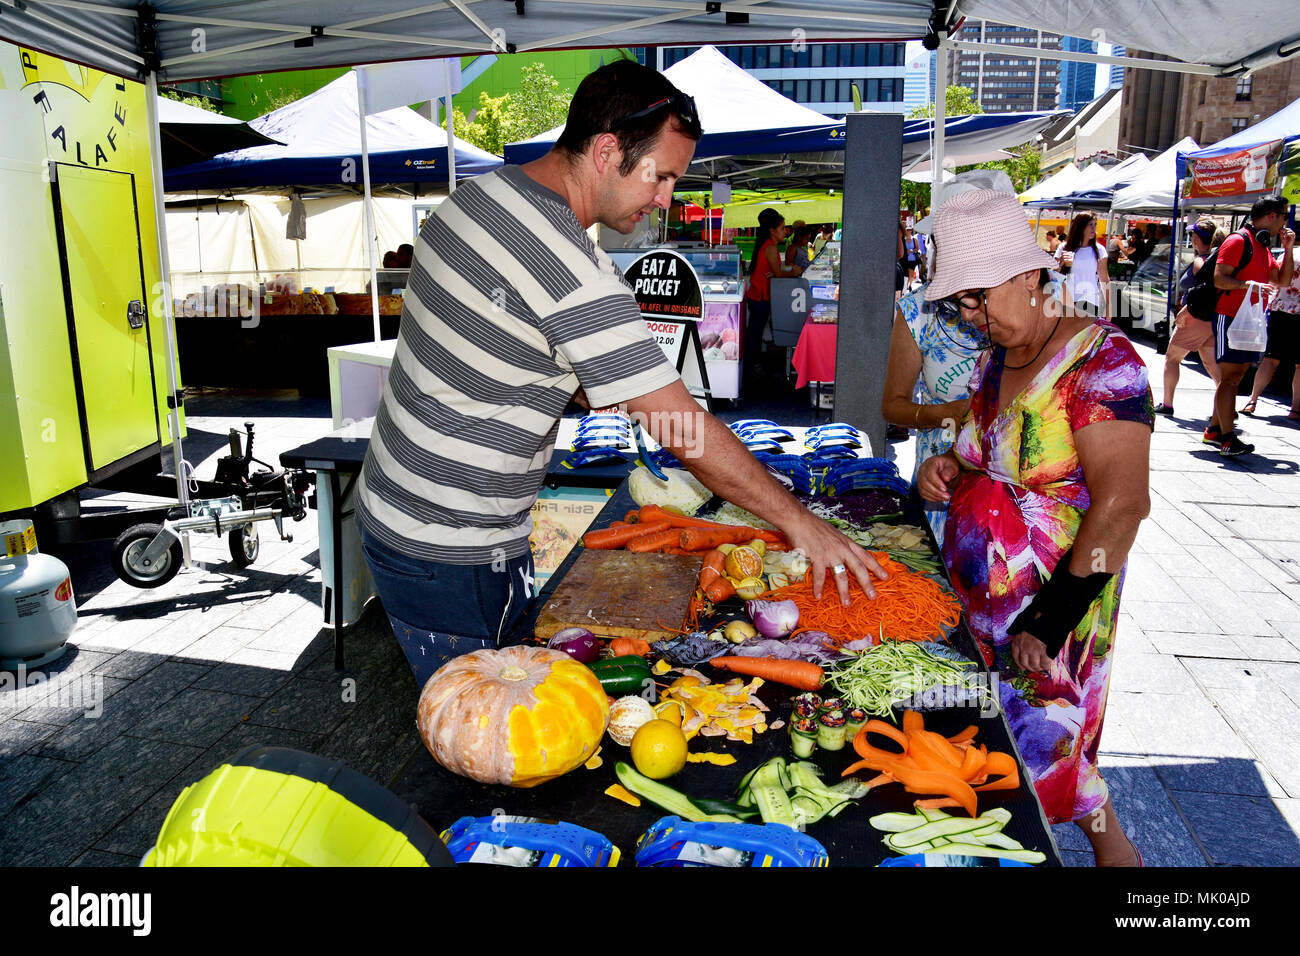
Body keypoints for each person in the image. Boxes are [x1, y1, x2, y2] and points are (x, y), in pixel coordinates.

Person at [355, 60, 886, 686]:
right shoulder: (568, 261)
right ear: (607, 151)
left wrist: (603, 382)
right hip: (452, 545)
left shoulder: (478, 196)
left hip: (392, 511)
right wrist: (799, 521)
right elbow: (680, 427)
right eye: (660, 176)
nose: (666, 198)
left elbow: (504, 347)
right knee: (487, 728)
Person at [918, 188, 1154, 867]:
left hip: (1055, 615)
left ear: (1030, 277)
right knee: (1012, 766)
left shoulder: (1102, 362)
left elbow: (1122, 506)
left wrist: (1048, 621)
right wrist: (946, 469)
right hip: (983, 611)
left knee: (1048, 761)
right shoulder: (997, 362)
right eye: (959, 302)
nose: (971, 315)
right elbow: (983, 456)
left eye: (978, 296)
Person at [1206, 195, 1296, 456]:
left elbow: (1282, 280)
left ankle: (1214, 430)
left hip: (1251, 319)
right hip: (1230, 316)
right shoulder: (1237, 241)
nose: (1284, 224)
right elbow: (1219, 279)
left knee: (1236, 377)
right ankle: (1226, 438)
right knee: (1230, 379)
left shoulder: (1264, 247)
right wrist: (1247, 285)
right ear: (1272, 216)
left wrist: (1289, 249)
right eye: (1284, 217)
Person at [1155, 220, 1224, 416]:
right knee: (1212, 365)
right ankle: (1225, 405)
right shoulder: (1214, 259)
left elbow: (1203, 290)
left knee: (1172, 359)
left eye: (1193, 236)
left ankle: (1167, 404)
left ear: (1196, 238)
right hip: (1210, 319)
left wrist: (1186, 310)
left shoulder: (1201, 261)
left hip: (1194, 316)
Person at [1240, 243, 1300, 421]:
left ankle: (1252, 400)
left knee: (1270, 360)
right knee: (1299, 365)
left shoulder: (1288, 254)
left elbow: (1274, 279)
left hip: (1280, 311)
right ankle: (1295, 408)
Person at [744, 207, 801, 383]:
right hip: (760, 298)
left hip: (759, 297)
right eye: (783, 228)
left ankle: (750, 368)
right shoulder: (769, 247)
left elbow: (775, 271)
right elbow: (777, 272)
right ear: (772, 230)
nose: (785, 231)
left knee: (755, 334)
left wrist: (780, 271)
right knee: (754, 335)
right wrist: (793, 272)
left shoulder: (768, 245)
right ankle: (748, 371)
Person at [1057, 213, 1111, 320]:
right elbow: (1053, 275)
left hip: (1089, 301)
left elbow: (1105, 279)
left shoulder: (1099, 250)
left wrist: (1109, 309)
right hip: (1066, 301)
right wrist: (1061, 263)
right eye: (1089, 225)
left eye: (1095, 224)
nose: (1093, 228)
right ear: (1080, 226)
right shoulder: (1064, 247)